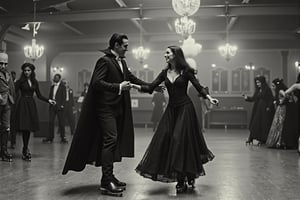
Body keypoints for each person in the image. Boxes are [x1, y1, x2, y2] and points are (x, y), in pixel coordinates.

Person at [62, 33, 163, 197]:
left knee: (112, 141)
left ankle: (108, 178)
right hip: (105, 108)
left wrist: (152, 87)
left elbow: (133, 79)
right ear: (116, 45)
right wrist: (118, 87)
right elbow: (96, 83)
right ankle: (106, 181)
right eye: (125, 46)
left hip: (117, 108)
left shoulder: (121, 62)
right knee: (111, 139)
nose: (127, 49)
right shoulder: (104, 61)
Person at [132, 46, 218, 193]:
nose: (164, 54)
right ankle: (188, 174)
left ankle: (181, 178)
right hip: (171, 110)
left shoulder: (186, 72)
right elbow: (151, 87)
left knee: (179, 140)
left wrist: (209, 98)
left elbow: (198, 86)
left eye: (167, 52)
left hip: (185, 109)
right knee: (168, 139)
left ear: (175, 55)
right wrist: (134, 86)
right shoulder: (164, 73)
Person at [14, 63, 55, 161]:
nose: (27, 72)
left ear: (32, 71)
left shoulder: (34, 81)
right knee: (24, 127)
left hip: (31, 104)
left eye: (28, 70)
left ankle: (25, 148)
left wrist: (49, 100)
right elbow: (14, 93)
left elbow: (39, 95)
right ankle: (25, 149)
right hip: (23, 104)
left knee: (28, 128)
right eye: (25, 70)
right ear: (23, 72)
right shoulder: (20, 82)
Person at [244, 75, 274, 145]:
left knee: (264, 124)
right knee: (255, 123)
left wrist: (269, 107)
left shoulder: (267, 89)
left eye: (259, 82)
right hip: (258, 109)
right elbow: (254, 98)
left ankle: (263, 139)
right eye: (257, 83)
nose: (258, 84)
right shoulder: (257, 90)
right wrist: (247, 98)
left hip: (264, 110)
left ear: (262, 82)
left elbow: (271, 99)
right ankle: (251, 138)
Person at [43, 74, 67, 144]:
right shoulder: (52, 86)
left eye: (56, 78)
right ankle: (50, 137)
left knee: (61, 123)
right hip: (52, 106)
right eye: (54, 77)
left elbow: (64, 97)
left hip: (59, 107)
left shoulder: (63, 87)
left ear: (59, 79)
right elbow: (50, 96)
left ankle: (63, 137)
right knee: (51, 122)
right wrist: (50, 102)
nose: (55, 79)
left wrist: (62, 105)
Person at [0, 52, 15, 162]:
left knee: (6, 127)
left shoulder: (8, 74)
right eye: (1, 63)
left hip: (7, 103)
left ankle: (4, 151)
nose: (3, 66)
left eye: (5, 64)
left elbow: (12, 88)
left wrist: (12, 99)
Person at [9, 70, 17, 149]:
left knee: (13, 126)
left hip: (14, 108)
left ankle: (13, 142)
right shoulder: (7, 84)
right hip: (8, 106)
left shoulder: (17, 85)